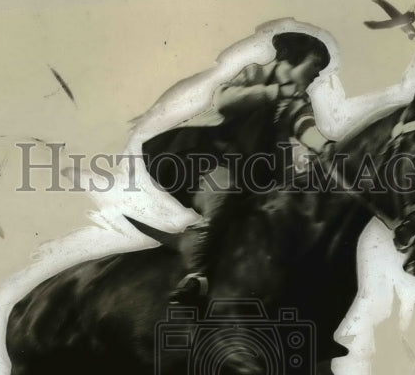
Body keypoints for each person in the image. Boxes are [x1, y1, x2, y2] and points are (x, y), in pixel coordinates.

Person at [142, 31, 332, 306]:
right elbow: (224, 100)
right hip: (204, 156)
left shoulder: (298, 101)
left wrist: (327, 147)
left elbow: (305, 127)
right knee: (224, 192)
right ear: (293, 59)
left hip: (251, 171)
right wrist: (276, 91)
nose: (317, 74)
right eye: (315, 65)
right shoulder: (255, 74)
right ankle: (196, 276)